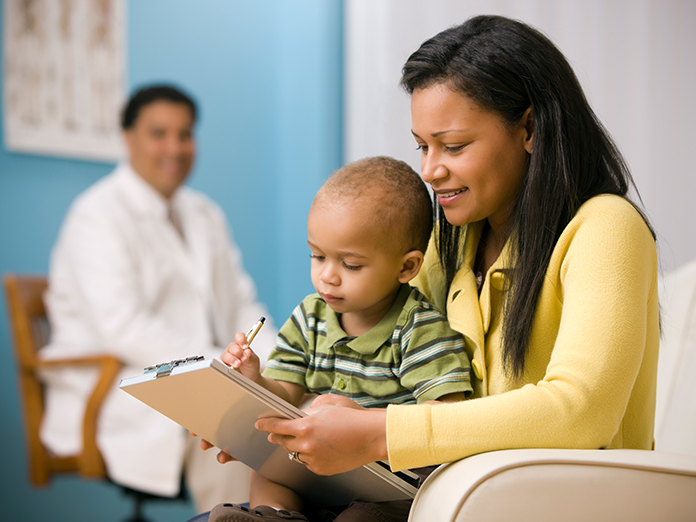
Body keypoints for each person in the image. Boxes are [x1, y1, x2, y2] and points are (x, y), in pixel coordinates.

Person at [241, 14, 659, 518]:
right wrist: (268, 426)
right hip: (453, 502)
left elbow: (580, 412)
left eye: (454, 146)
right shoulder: (448, 241)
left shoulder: (606, 228)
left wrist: (378, 431)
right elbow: (385, 360)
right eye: (422, 145)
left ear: (529, 127)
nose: (430, 170)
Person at [39, 84, 278, 512]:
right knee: (231, 431)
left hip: (203, 373)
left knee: (298, 413)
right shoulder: (96, 215)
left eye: (185, 134)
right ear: (128, 138)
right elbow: (123, 327)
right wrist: (216, 366)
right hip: (121, 385)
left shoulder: (204, 213)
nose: (175, 147)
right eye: (159, 133)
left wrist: (280, 363)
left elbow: (242, 305)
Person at [208, 156, 473, 522]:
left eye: (350, 264)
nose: (327, 277)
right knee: (267, 469)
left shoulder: (419, 329)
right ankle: (275, 516)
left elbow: (446, 420)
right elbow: (285, 393)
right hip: (316, 466)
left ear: (407, 267)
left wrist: (364, 421)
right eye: (317, 256)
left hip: (386, 481)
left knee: (364, 516)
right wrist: (254, 378)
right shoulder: (310, 317)